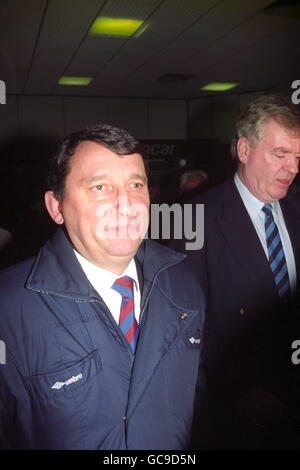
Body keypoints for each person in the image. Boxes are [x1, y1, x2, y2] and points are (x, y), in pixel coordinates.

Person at [0, 124, 206, 450]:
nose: (126, 204)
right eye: (99, 187)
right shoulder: (9, 308)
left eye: (136, 184)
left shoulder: (182, 283)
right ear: (56, 207)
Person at [171, 95, 300, 448]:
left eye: (298, 157)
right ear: (244, 150)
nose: (292, 168)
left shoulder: (297, 207)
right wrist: (240, 388)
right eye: (280, 154)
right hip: (241, 405)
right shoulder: (194, 219)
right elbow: (189, 324)